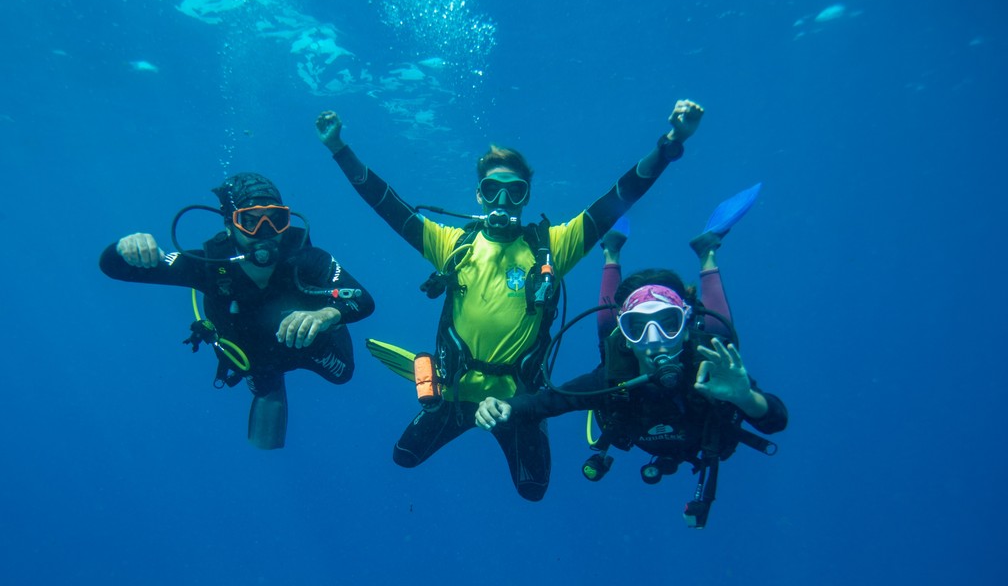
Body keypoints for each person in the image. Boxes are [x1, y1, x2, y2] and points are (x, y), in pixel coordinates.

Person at [315, 100, 705, 501]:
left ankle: (528, 421)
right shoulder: (453, 244)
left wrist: (670, 143)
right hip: (453, 391)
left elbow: (617, 199)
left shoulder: (551, 247)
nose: (502, 201)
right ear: (479, 196)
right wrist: (339, 149)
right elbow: (387, 206)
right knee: (403, 458)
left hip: (515, 400)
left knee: (532, 490)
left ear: (526, 197)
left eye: (514, 192)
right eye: (492, 190)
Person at [475, 207, 787, 526]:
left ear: (685, 324)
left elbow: (776, 420)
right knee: (606, 331)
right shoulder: (614, 377)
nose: (655, 342)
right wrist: (505, 405)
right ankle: (613, 250)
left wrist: (744, 396)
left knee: (721, 336)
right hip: (631, 373)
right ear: (628, 336)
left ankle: (705, 252)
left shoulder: (714, 367)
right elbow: (550, 401)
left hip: (703, 370)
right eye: (637, 327)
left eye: (668, 324)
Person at [99, 173, 375, 450]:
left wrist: (325, 316)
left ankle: (328, 314)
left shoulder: (308, 258)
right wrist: (125, 248)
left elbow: (363, 299)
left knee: (342, 376)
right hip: (253, 357)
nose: (266, 232)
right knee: (264, 388)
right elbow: (114, 267)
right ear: (230, 224)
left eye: (275, 220)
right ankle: (273, 391)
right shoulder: (208, 264)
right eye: (251, 221)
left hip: (311, 343)